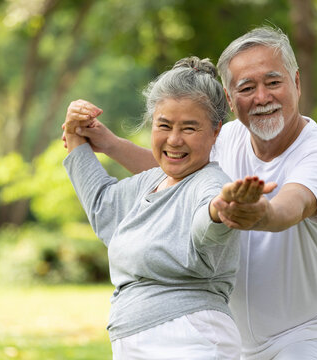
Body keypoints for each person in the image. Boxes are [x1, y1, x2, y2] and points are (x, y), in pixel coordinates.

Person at [65, 26, 317, 359]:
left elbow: (292, 206)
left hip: (306, 334)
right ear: (230, 101)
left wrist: (259, 212)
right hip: (234, 336)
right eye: (247, 87)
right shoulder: (226, 137)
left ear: (297, 83)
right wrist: (110, 144)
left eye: (273, 82)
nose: (262, 97)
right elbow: (175, 169)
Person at [63, 56, 275, 360]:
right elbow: (102, 205)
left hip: (191, 340)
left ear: (215, 132)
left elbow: (207, 225)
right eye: (164, 125)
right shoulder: (150, 183)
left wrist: (220, 211)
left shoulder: (210, 185)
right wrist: (75, 135)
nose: (174, 140)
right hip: (138, 342)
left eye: (189, 128)